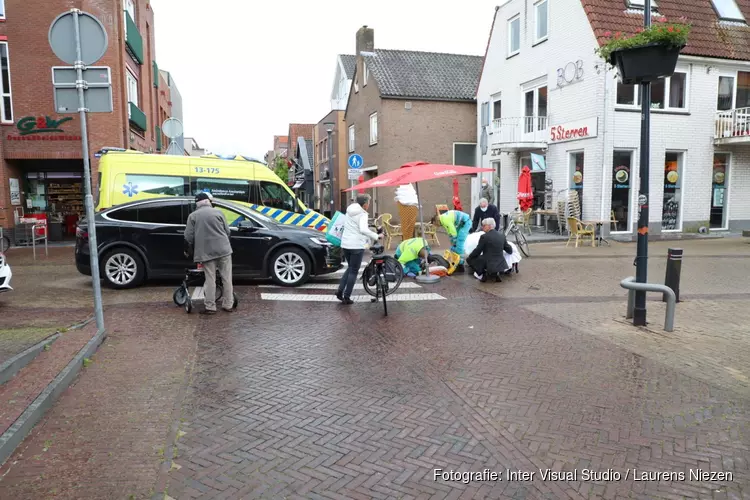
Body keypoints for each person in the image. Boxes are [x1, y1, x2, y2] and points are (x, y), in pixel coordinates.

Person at [184, 192, 235, 315]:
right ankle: (228, 305)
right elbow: (227, 231)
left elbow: (188, 236)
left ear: (197, 204)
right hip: (224, 250)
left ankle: (210, 307)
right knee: (227, 278)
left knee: (210, 278)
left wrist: (190, 248)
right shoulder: (219, 213)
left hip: (206, 252)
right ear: (208, 201)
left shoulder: (193, 216)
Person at [336, 194, 381, 305]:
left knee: (350, 268)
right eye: (369, 203)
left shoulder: (350, 210)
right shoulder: (362, 214)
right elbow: (363, 229)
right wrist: (376, 236)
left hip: (346, 244)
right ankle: (346, 296)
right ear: (365, 204)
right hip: (356, 245)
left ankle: (340, 291)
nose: (369, 205)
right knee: (354, 271)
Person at [467, 217, 513, 283]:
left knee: (470, 259)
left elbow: (477, 251)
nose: (482, 227)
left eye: (484, 225)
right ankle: (494, 274)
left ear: (489, 226)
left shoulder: (484, 237)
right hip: (501, 263)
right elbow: (509, 250)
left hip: (488, 263)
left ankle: (483, 273)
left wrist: (470, 256)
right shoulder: (502, 236)